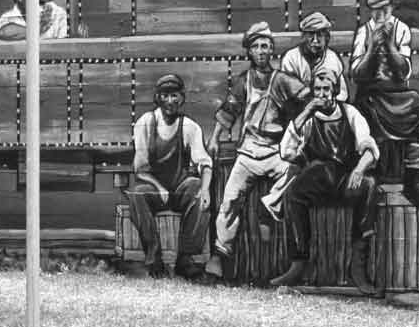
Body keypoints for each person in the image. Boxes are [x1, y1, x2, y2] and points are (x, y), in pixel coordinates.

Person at [204, 21, 308, 281]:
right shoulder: (243, 82)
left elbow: (308, 99)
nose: (262, 51)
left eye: (266, 46)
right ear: (249, 52)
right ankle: (219, 253)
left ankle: (268, 207)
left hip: (276, 152)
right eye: (257, 46)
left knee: (295, 172)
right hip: (248, 152)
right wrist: (215, 138)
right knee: (230, 201)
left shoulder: (283, 80)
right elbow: (228, 112)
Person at [271, 69, 380, 293]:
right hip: (317, 181)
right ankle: (298, 263)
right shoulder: (309, 119)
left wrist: (359, 170)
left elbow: (370, 150)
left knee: (369, 186)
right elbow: (286, 152)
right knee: (295, 193)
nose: (322, 95)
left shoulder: (350, 113)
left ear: (335, 91)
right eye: (317, 90)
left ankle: (358, 267)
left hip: (344, 180)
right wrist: (305, 113)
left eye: (326, 90)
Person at [350, 0, 419, 215]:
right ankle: (370, 176)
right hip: (371, 95)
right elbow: (357, 74)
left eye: (384, 11)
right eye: (375, 12)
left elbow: (403, 72)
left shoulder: (402, 30)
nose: (380, 16)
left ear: (391, 8)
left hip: (397, 94)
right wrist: (371, 50)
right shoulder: (363, 32)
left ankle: (412, 179)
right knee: (362, 117)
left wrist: (388, 46)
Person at [126, 74, 213, 278]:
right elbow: (140, 168)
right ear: (158, 98)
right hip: (153, 188)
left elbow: (205, 163)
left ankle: (186, 259)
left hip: (179, 187)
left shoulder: (190, 127)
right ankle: (154, 259)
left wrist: (206, 189)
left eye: (174, 96)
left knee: (198, 189)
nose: (170, 101)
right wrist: (159, 187)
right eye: (165, 96)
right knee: (136, 195)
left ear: (181, 98)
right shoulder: (145, 123)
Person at [279, 11, 349, 102]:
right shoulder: (291, 58)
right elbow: (289, 94)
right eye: (311, 35)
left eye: (319, 35)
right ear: (304, 37)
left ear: (326, 38)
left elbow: (343, 93)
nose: (315, 40)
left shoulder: (332, 58)